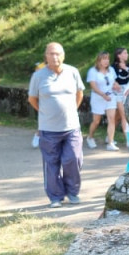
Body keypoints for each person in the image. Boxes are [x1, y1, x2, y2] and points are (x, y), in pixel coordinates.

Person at [28, 42, 86, 207]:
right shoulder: (38, 76)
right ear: (45, 56)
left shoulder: (72, 72)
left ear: (63, 55)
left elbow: (79, 93)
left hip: (71, 127)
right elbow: (32, 98)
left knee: (73, 159)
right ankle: (55, 196)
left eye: (58, 53)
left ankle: (73, 192)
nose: (55, 57)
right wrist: (45, 112)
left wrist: (71, 110)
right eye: (51, 54)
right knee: (51, 163)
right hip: (48, 129)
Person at [85, 51, 118, 151]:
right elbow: (94, 87)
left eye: (107, 59)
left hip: (110, 97)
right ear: (99, 60)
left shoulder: (111, 70)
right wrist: (103, 95)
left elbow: (114, 81)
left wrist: (116, 85)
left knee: (111, 119)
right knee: (96, 121)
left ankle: (110, 142)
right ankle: (90, 137)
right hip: (98, 98)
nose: (106, 61)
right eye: (104, 59)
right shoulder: (93, 71)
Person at [112, 47, 129, 141]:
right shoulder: (113, 67)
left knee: (118, 116)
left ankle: (109, 136)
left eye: (127, 52)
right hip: (118, 92)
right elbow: (110, 78)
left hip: (127, 91)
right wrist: (114, 83)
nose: (127, 54)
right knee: (124, 115)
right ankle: (128, 140)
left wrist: (126, 68)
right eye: (125, 53)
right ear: (119, 55)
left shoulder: (128, 65)